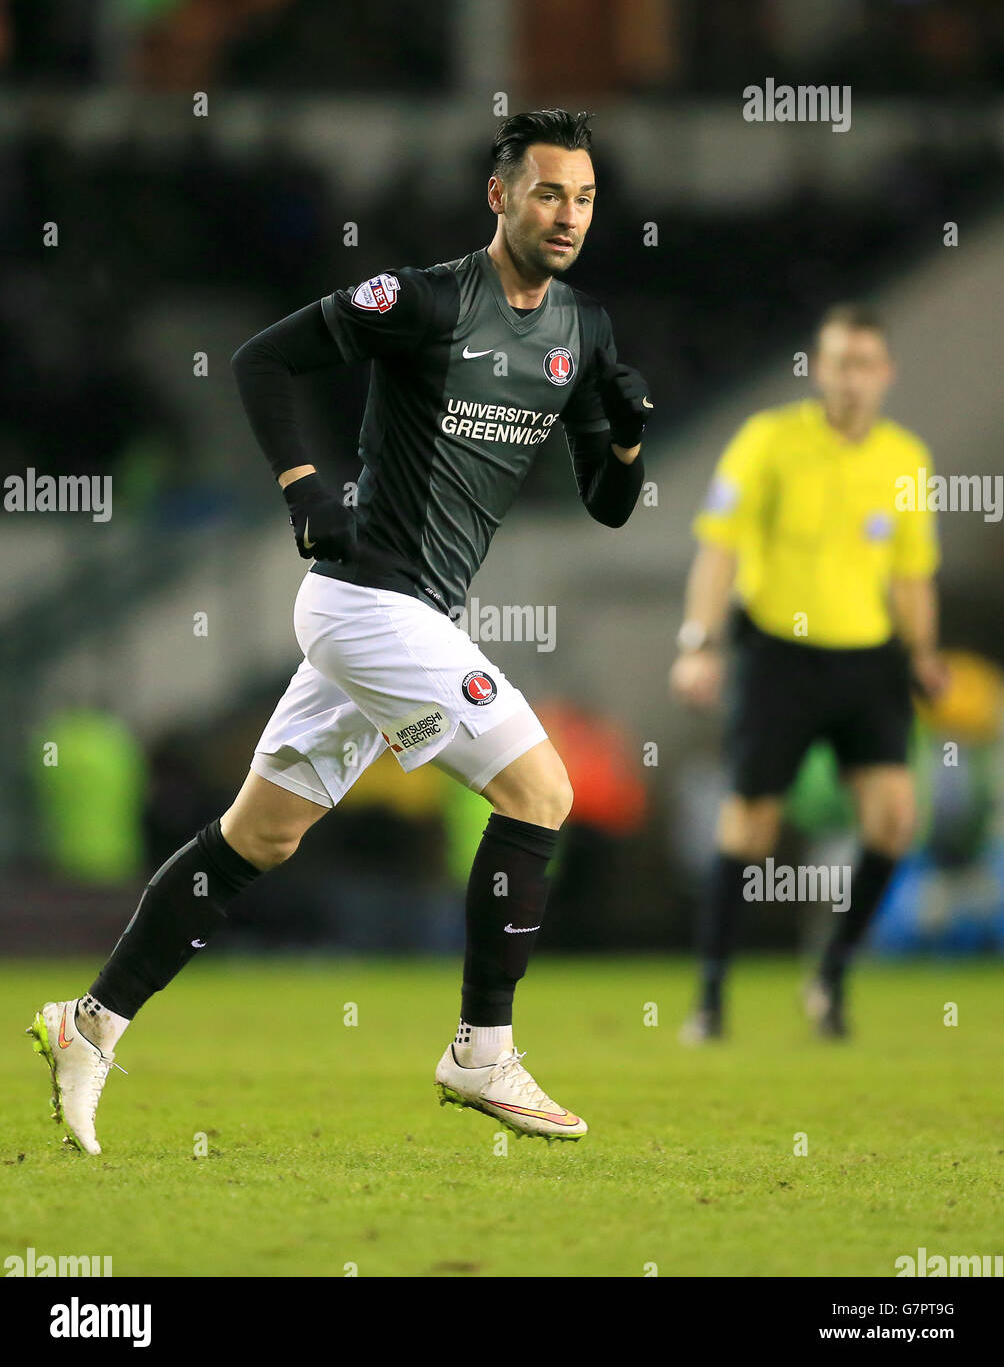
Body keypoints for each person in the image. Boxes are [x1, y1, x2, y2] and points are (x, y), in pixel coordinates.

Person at [29, 108, 654, 1152]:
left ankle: (88, 1022)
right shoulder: (420, 299)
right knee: (541, 789)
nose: (567, 215)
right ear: (497, 196)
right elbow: (261, 361)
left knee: (258, 834)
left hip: (412, 618)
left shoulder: (580, 331)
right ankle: (481, 1050)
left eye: (583, 198)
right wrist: (303, 485)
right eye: (547, 191)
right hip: (367, 601)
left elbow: (606, 504)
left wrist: (627, 442)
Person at [669, 304, 945, 1041]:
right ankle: (711, 996)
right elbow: (718, 547)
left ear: (884, 374)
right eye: (839, 363)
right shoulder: (768, 441)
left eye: (866, 364)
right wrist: (699, 642)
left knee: (895, 819)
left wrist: (923, 652)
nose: (852, 379)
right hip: (778, 657)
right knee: (750, 826)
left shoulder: (906, 459)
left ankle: (831, 977)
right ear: (818, 369)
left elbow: (913, 573)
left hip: (869, 659)